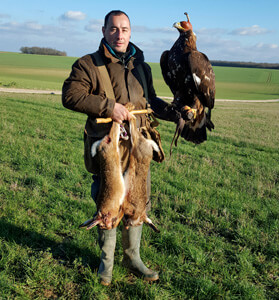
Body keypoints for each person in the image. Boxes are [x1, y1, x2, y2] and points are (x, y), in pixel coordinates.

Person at [62, 10, 178, 285]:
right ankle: (106, 265)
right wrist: (108, 107)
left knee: (138, 203)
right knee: (108, 206)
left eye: (124, 29)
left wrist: (177, 113)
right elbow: (70, 96)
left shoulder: (141, 66)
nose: (119, 34)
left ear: (130, 32)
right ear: (103, 31)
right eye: (113, 29)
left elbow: (151, 103)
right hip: (109, 148)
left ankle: (133, 258)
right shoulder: (88, 64)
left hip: (138, 150)